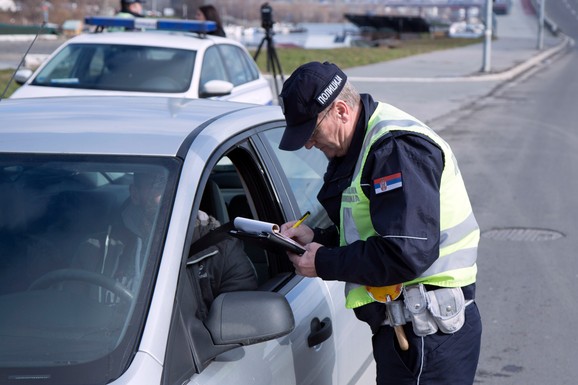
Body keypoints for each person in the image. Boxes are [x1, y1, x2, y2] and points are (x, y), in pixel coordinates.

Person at [278, 61, 482, 385]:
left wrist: (324, 261)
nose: (308, 144)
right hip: (411, 329)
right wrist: (316, 237)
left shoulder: (395, 148)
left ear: (341, 111)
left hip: (428, 336)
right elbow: (375, 231)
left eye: (312, 132)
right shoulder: (365, 146)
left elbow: (404, 251)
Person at [74, 172, 258, 312]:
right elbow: (70, 312)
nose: (171, 192)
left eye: (178, 183)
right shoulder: (96, 248)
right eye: (158, 184)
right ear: (135, 194)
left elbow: (242, 320)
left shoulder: (220, 248)